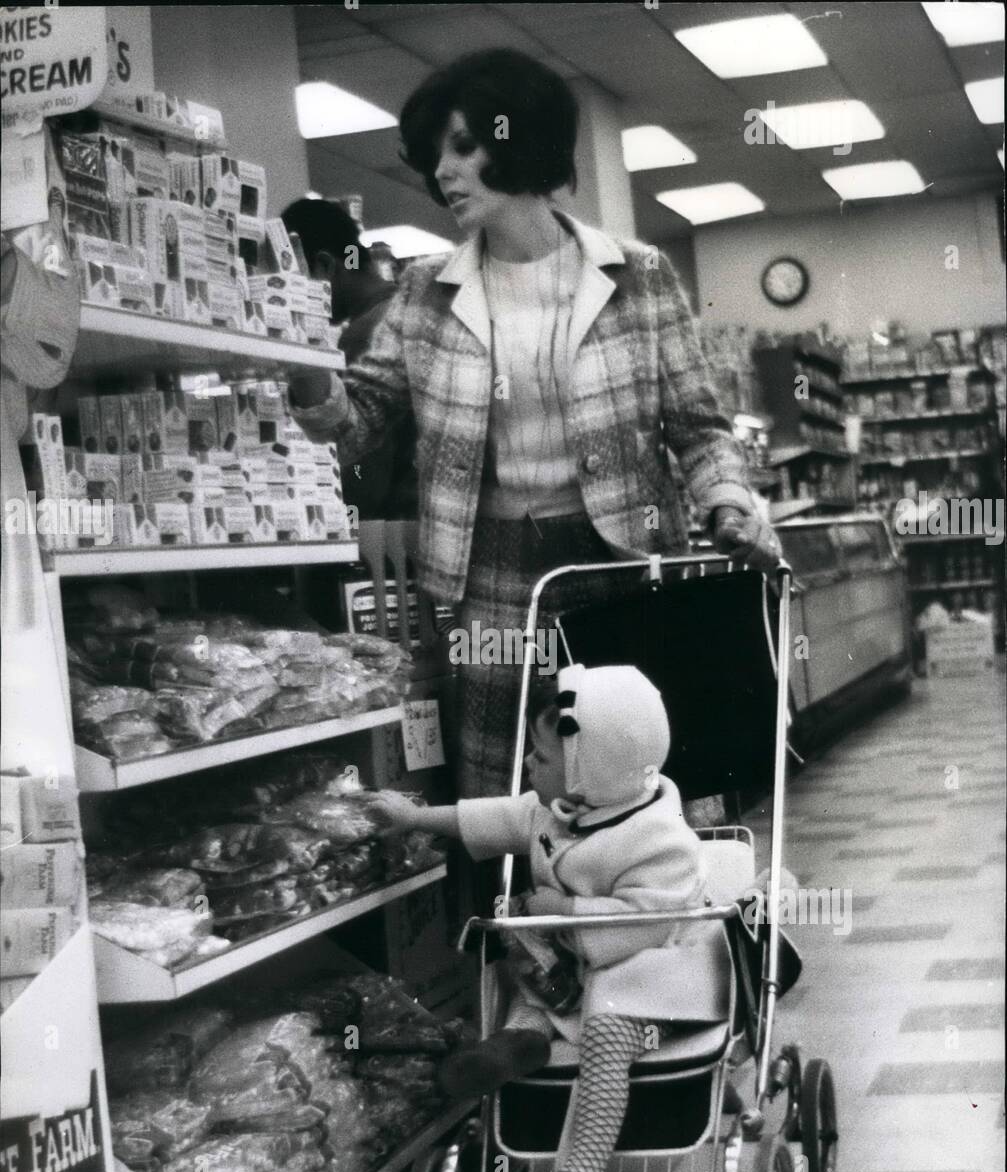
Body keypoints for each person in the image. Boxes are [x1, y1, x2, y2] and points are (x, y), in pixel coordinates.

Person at [286, 48, 780, 801]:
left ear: (519, 142)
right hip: (488, 572)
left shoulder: (637, 277)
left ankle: (650, 913)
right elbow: (360, 424)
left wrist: (728, 504)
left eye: (462, 147)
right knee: (509, 784)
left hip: (622, 558)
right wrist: (296, 360)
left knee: (638, 778)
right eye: (434, 155)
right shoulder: (424, 292)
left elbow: (699, 427)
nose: (443, 172)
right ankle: (524, 920)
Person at [371, 664, 732, 1172]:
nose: (528, 766)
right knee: (528, 981)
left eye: (541, 758)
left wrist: (566, 911)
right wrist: (414, 818)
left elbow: (648, 921)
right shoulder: (559, 810)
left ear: (592, 769)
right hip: (580, 961)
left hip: (657, 972)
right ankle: (519, 1043)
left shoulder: (663, 842)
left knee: (606, 1031)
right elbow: (493, 815)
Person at [280, 197, 416, 519]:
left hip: (395, 532)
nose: (289, 295)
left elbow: (363, 472)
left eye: (294, 281)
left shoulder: (364, 333)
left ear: (325, 267)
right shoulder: (409, 309)